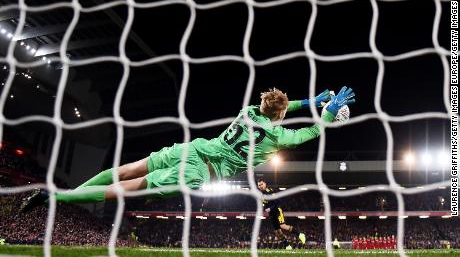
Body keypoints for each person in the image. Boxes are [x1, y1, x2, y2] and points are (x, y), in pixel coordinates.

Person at [20, 86, 355, 212]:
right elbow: (309, 132)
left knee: (125, 170)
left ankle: (69, 194)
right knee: (122, 189)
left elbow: (280, 108)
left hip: (191, 149)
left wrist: (310, 101)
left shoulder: (248, 112)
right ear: (280, 115)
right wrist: (327, 116)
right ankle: (56, 198)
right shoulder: (277, 138)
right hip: (197, 171)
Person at [257, 178, 306, 250]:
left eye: (261, 184)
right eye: (259, 185)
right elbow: (265, 204)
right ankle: (287, 246)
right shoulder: (260, 194)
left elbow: (277, 201)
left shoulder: (270, 191)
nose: (260, 186)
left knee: (282, 225)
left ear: (265, 184)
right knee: (277, 232)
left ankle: (300, 234)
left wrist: (270, 208)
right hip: (271, 214)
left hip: (277, 210)